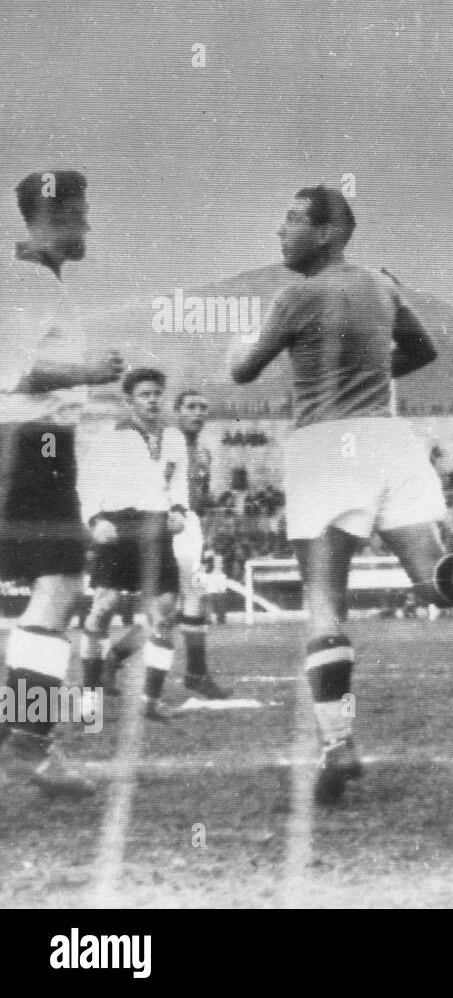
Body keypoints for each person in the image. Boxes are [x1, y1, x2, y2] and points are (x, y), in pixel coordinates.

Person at [229, 185, 453, 804]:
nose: (280, 231)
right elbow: (423, 350)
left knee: (324, 604)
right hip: (389, 439)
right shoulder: (382, 285)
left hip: (325, 445)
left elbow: (242, 370)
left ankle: (338, 744)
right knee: (435, 581)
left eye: (292, 220)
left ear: (328, 233)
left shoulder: (297, 295)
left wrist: (237, 345)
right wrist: (368, 375)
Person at [0, 170, 123, 796]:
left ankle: (21, 732)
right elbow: (18, 372)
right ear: (51, 216)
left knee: (59, 587)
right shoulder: (25, 280)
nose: (89, 227)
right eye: (80, 214)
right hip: (30, 445)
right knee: (62, 586)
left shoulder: (35, 279)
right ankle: (27, 739)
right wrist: (91, 372)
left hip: (38, 446)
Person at [78, 368, 190, 721]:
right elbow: (88, 484)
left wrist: (179, 510)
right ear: (129, 401)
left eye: (157, 393)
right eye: (145, 394)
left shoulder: (174, 438)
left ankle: (150, 701)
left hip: (156, 526)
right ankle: (89, 702)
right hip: (118, 523)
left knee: (166, 611)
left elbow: (179, 483)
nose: (153, 400)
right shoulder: (110, 436)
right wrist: (95, 521)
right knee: (104, 607)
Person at [169, 389, 230, 698]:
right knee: (174, 604)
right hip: (166, 525)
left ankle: (197, 673)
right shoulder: (167, 446)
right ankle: (196, 674)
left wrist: (214, 506)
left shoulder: (204, 453)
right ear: (177, 411)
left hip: (189, 529)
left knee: (184, 602)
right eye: (191, 406)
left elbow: (198, 497)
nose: (198, 413)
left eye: (203, 407)